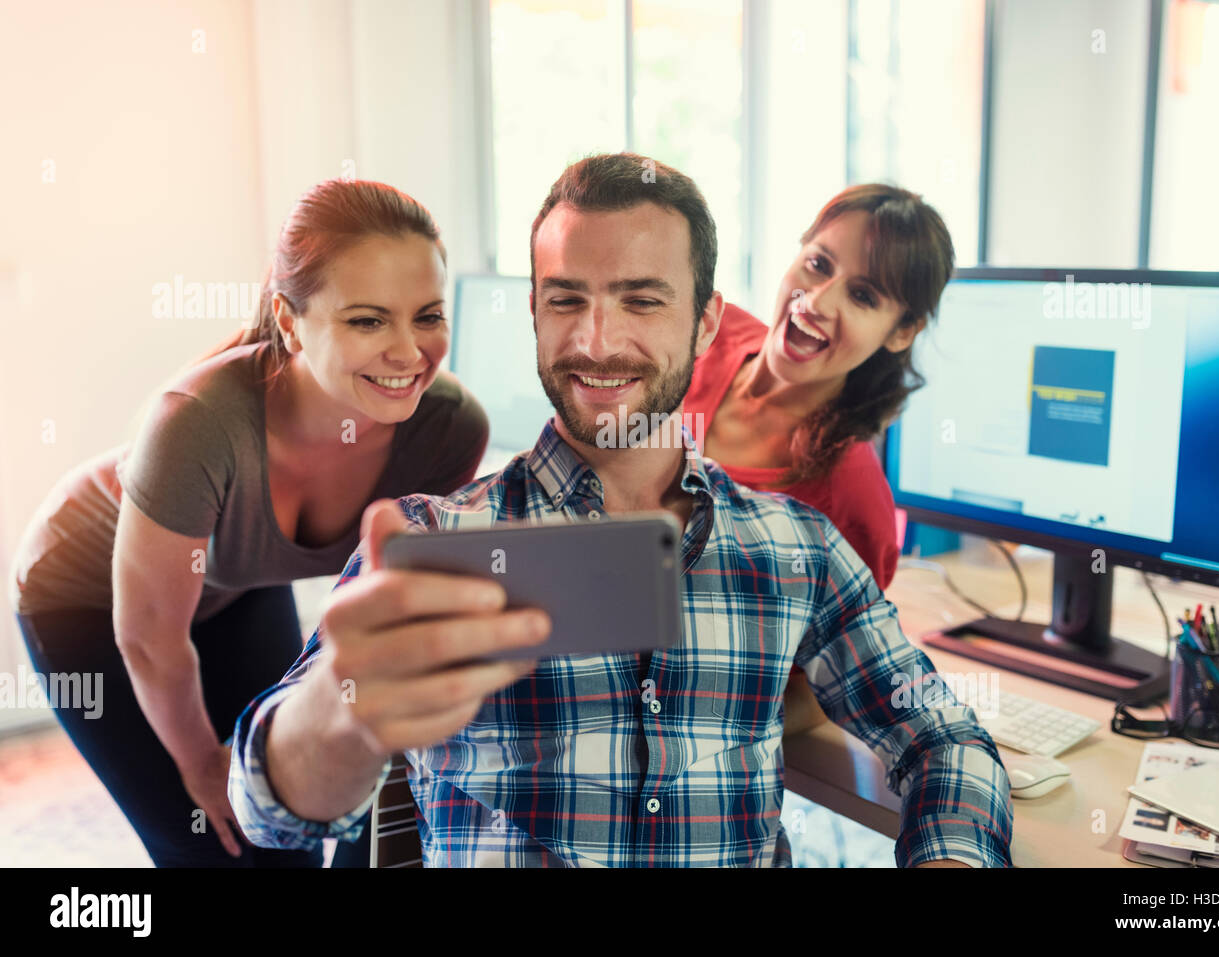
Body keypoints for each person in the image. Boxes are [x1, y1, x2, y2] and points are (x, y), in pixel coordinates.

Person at [229, 153, 1012, 868]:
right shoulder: (434, 538)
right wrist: (344, 704)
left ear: (706, 321)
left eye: (642, 300)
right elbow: (265, 810)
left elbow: (944, 735)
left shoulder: (797, 547)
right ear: (533, 311)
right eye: (567, 299)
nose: (599, 341)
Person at [9, 179, 489, 867]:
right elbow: (148, 638)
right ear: (290, 323)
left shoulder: (446, 430)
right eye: (367, 320)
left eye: (428, 315)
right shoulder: (198, 423)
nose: (410, 352)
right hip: (88, 599)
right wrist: (202, 762)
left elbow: (395, 614)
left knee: (288, 825)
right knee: (223, 844)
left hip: (236, 581)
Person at [681, 184, 955, 739]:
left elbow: (819, 688)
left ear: (902, 331)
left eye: (863, 296)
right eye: (817, 264)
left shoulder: (848, 494)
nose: (818, 301)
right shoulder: (702, 331)